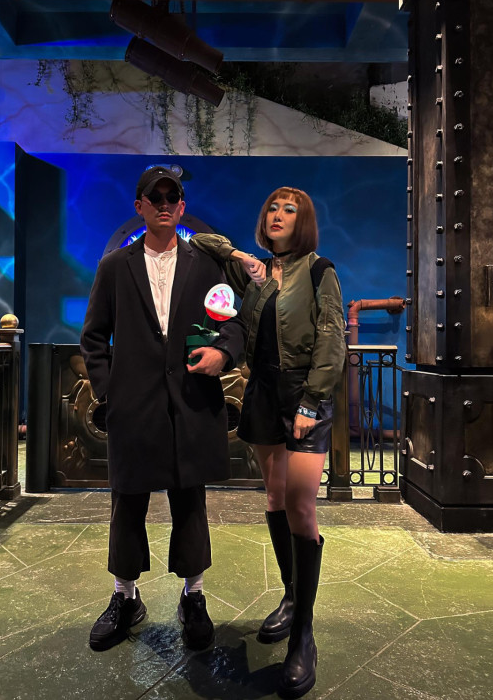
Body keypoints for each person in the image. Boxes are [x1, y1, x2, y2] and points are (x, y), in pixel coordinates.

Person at [80, 166, 246, 653]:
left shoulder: (206, 265)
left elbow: (232, 325)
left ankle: (194, 596)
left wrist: (224, 354)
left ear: (181, 205)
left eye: (173, 197)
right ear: (140, 207)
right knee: (127, 502)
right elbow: (93, 337)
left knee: (190, 501)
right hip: (134, 407)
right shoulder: (115, 267)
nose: (165, 204)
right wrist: (110, 391)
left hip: (191, 402)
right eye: (156, 197)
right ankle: (124, 597)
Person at [190, 187, 346, 699]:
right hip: (261, 391)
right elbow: (202, 240)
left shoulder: (320, 271)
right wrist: (241, 256)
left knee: (301, 505)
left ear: (304, 221)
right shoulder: (255, 273)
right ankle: (290, 595)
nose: (278, 215)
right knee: (275, 499)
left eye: (290, 210)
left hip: (303, 394)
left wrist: (311, 402)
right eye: (273, 208)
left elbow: (332, 338)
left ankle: (304, 634)